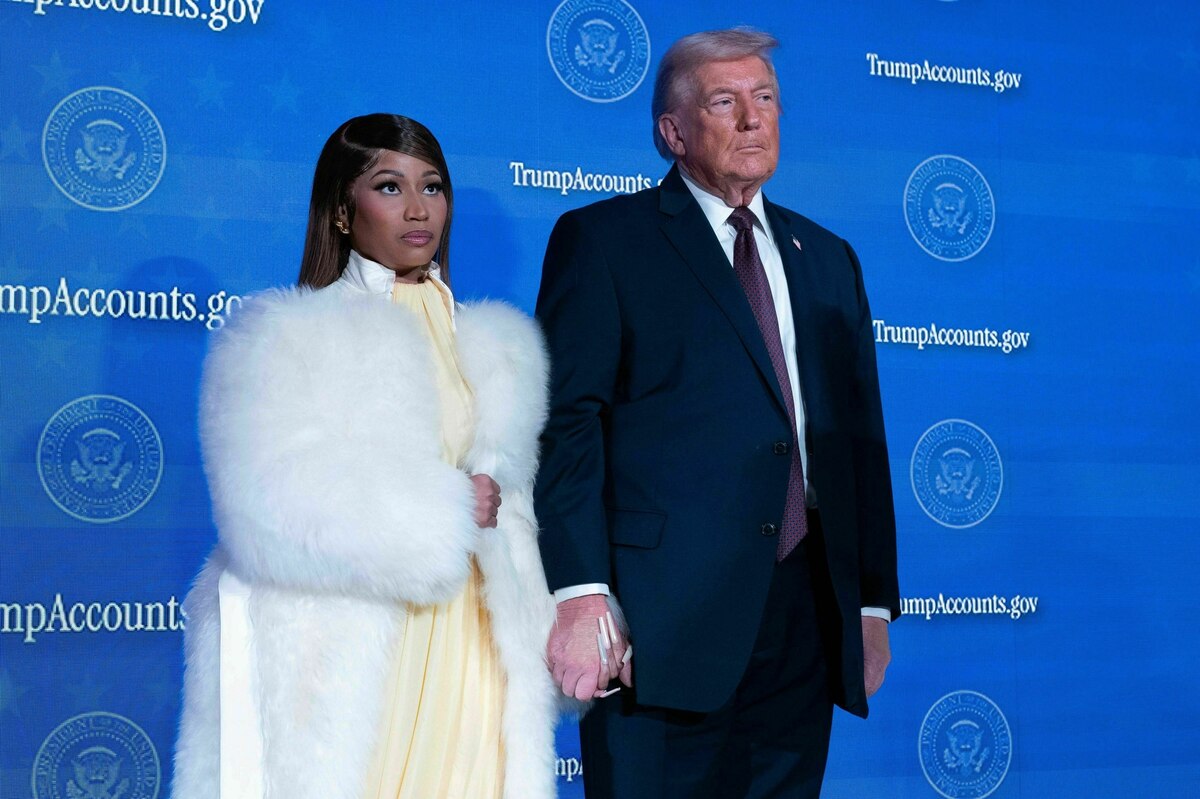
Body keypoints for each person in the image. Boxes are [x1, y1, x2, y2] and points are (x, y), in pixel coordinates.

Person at [534, 29, 900, 798]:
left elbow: (860, 438)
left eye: (765, 98)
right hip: (659, 620)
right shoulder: (604, 241)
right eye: (725, 102)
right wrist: (579, 591)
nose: (752, 118)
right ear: (673, 132)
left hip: (806, 618)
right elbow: (567, 424)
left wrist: (870, 600)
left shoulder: (827, 256)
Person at [172, 114, 558, 799]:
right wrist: (447, 509)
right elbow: (266, 503)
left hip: (474, 640)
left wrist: (551, 629)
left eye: (432, 187)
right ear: (342, 212)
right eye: (389, 186)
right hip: (354, 640)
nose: (418, 209)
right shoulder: (283, 335)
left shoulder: (497, 347)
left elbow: (515, 513)